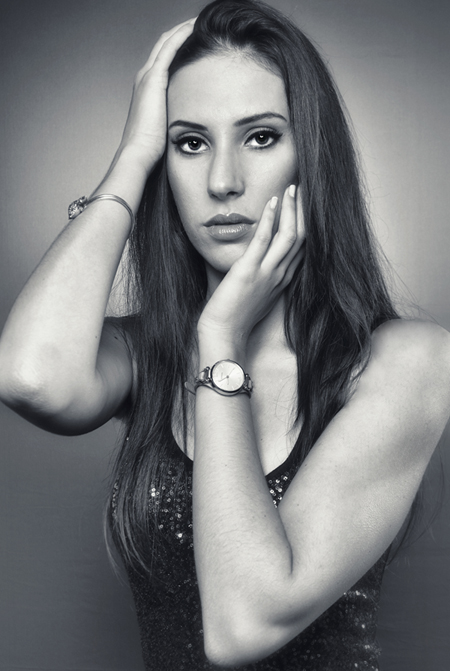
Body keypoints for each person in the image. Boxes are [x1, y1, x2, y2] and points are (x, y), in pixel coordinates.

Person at [0, 0, 449, 669]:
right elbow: (29, 377)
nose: (222, 182)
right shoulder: (148, 352)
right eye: (191, 143)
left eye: (261, 137)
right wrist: (133, 156)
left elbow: (242, 627)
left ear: (311, 157)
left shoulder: (405, 362)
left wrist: (220, 343)